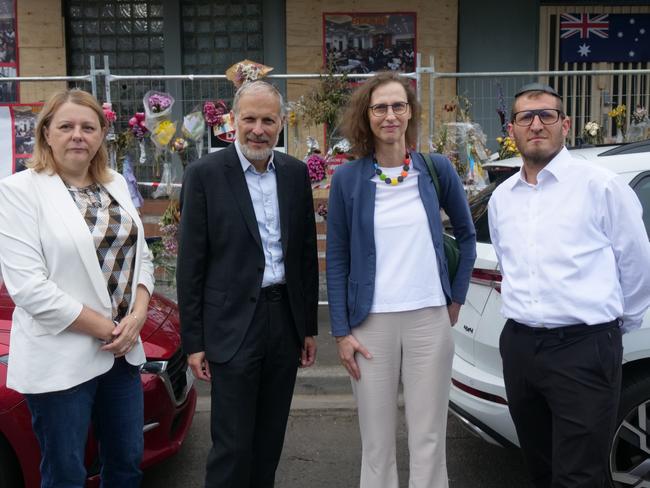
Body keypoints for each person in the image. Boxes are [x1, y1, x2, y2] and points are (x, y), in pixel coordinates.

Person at [488, 83, 650, 488]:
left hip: (584, 348)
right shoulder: (502, 198)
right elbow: (511, 264)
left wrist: (614, 327)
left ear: (566, 124)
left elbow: (636, 263)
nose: (536, 124)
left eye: (546, 115)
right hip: (521, 348)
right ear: (513, 130)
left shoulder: (601, 186)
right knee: (540, 467)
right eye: (526, 116)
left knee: (580, 476)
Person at [326, 71, 476, 488]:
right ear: (367, 116)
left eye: (398, 106)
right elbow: (336, 258)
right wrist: (341, 331)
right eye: (380, 108)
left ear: (410, 113)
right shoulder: (347, 179)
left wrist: (456, 296)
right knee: (377, 443)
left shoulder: (435, 169)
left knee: (429, 438)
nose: (390, 115)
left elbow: (467, 235)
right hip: (369, 325)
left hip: (430, 318)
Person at [0, 88, 154, 487]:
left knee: (126, 464)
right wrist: (111, 329)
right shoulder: (18, 192)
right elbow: (29, 288)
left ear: (102, 134)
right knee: (66, 472)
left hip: (121, 356)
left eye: (88, 127)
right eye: (66, 126)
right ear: (46, 133)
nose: (77, 135)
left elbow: (142, 257)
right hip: (61, 359)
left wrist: (137, 316)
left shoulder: (116, 183)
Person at [176, 80, 319, 488]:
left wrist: (307, 326)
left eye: (268, 120)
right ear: (233, 121)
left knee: (269, 440)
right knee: (232, 445)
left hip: (284, 322)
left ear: (281, 124)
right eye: (250, 119)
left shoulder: (293, 174)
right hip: (232, 325)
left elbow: (305, 255)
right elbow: (191, 265)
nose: (258, 129)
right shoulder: (204, 174)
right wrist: (195, 341)